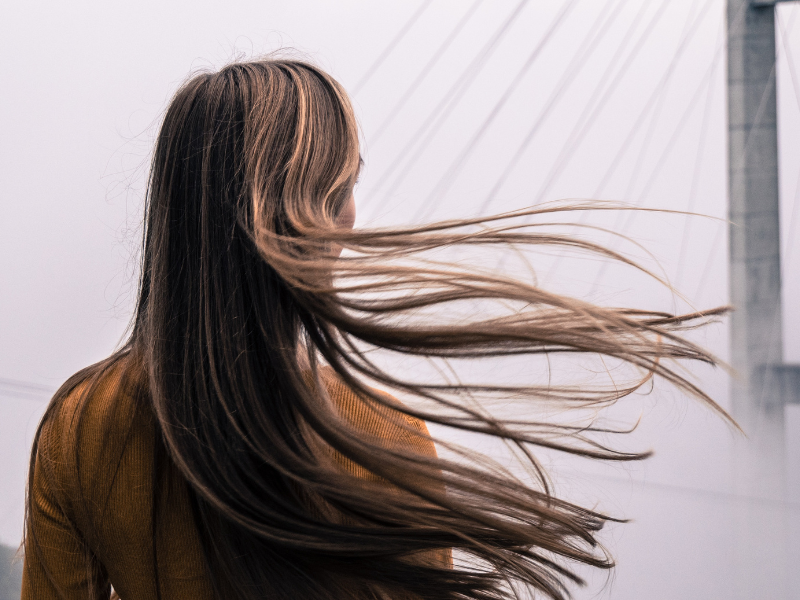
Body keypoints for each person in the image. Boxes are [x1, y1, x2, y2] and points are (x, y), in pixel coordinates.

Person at [21, 58, 728, 600]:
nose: (352, 216)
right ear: (294, 209)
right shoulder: (385, 436)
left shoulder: (80, 426)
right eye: (343, 185)